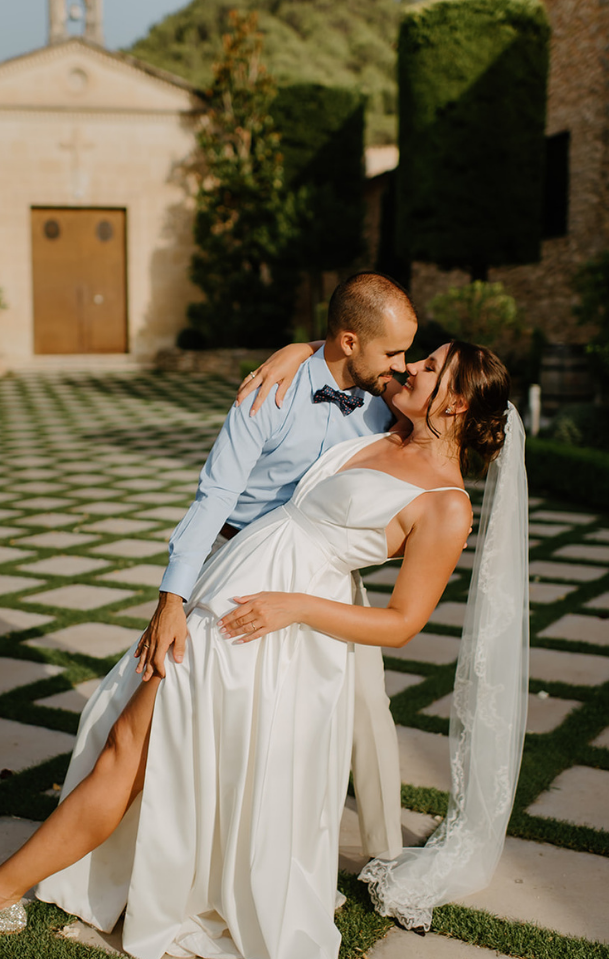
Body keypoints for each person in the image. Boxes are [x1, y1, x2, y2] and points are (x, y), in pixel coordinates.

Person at [0, 340, 524, 959]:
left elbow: (402, 622)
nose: (410, 366)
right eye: (417, 357)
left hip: (263, 635)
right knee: (132, 746)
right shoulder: (378, 425)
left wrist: (293, 608)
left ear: (459, 401)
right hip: (225, 594)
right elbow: (345, 351)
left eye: (431, 366)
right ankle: (6, 892)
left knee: (129, 750)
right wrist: (295, 352)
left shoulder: (445, 507)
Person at [139, 272, 421, 862]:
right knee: (223, 707)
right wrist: (172, 598)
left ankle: (389, 859)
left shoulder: (387, 400)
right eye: (394, 351)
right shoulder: (270, 391)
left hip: (329, 573)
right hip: (242, 563)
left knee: (367, 707)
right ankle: (208, 848)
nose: (404, 363)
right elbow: (213, 494)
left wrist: (300, 347)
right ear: (349, 341)